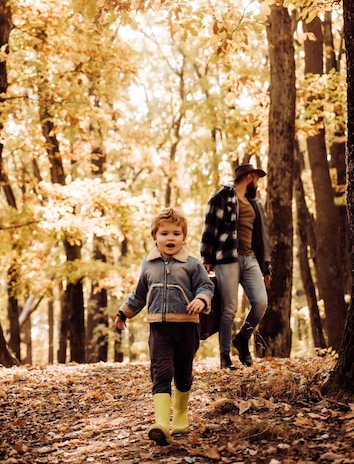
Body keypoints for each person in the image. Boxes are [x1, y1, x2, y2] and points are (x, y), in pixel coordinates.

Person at [115, 207, 214, 446]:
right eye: (165, 233)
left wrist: (201, 300)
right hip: (159, 329)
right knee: (161, 372)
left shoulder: (192, 264)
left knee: (183, 373)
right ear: (154, 237)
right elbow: (139, 294)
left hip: (187, 328)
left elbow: (206, 286)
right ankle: (161, 423)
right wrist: (123, 313)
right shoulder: (148, 265)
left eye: (176, 234)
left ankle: (180, 416)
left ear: (184, 237)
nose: (171, 238)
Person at [200, 163, 271, 370]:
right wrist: (206, 257)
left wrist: (266, 267)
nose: (257, 184)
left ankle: (242, 338)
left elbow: (262, 238)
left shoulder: (255, 203)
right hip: (226, 258)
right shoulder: (221, 197)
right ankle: (224, 358)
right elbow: (209, 228)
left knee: (260, 302)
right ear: (249, 178)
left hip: (250, 260)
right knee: (229, 309)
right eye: (256, 179)